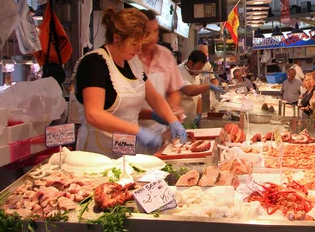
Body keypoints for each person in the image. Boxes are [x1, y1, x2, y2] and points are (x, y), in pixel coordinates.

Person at [72, 8, 186, 157]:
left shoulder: (133, 64)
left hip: (127, 152)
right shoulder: (94, 63)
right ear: (117, 37)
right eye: (134, 44)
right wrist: (137, 131)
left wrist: (172, 121)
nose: (139, 50)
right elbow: (94, 114)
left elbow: (155, 98)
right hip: (97, 155)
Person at [137, 10, 185, 154]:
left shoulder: (165, 55)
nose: (153, 37)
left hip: (160, 130)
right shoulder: (130, 59)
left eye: (156, 31)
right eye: (148, 32)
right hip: (132, 129)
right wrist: (153, 114)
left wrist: (172, 112)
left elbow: (171, 91)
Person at [178, 51, 224, 127]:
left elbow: (199, 96)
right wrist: (208, 85)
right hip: (180, 118)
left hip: (192, 117)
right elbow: (189, 91)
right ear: (190, 63)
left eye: (201, 68)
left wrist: (199, 113)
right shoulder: (178, 71)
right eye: (199, 68)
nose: (200, 71)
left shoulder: (195, 72)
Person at [197, 44, 220, 120]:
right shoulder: (187, 65)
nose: (207, 54)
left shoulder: (207, 64)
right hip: (196, 99)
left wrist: (216, 87)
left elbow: (213, 79)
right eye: (206, 52)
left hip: (207, 99)